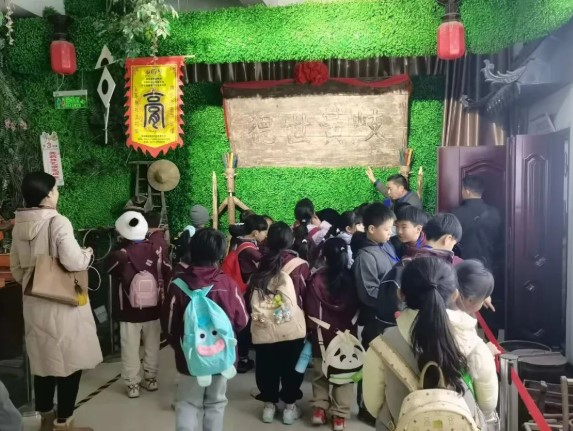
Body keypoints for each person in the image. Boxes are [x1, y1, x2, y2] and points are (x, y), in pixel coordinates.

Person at [10, 172, 102, 431]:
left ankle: (46, 420)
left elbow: (16, 270)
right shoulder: (58, 222)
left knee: (44, 362)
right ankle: (64, 422)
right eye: (55, 190)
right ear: (48, 194)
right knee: (69, 362)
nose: (57, 193)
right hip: (63, 303)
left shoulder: (19, 226)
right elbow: (73, 261)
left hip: (33, 302)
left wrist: (35, 278)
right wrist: (87, 253)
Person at [363, 257, 491, 430]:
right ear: (455, 295)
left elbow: (373, 406)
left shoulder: (381, 346)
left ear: (400, 294)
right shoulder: (474, 345)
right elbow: (488, 404)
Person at [162, 228, 248, 431]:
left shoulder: (177, 285)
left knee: (187, 402)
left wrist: (183, 346)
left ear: (192, 250)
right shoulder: (228, 284)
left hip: (190, 357)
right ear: (220, 253)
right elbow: (242, 320)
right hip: (222, 357)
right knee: (216, 403)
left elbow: (169, 327)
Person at [249, 222, 309, 425]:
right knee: (292, 367)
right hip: (290, 327)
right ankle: (289, 408)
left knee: (267, 367)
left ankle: (269, 406)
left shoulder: (261, 262)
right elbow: (304, 296)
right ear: (291, 240)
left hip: (264, 326)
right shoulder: (299, 265)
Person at [108, 211, 172, 399]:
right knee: (152, 345)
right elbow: (167, 270)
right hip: (154, 308)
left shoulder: (120, 255)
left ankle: (132, 384)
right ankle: (151, 378)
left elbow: (109, 270)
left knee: (130, 347)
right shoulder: (156, 250)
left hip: (128, 310)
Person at [304, 238, 360, 431]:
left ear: (324, 257)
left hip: (321, 336)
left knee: (320, 373)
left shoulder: (316, 279)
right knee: (344, 373)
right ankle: (339, 417)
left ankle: (319, 410)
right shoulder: (353, 279)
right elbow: (358, 308)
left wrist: (313, 328)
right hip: (347, 337)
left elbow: (310, 309)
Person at [351, 202, 397, 425]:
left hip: (389, 317)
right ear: (371, 229)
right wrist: (396, 297)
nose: (390, 233)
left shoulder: (385, 247)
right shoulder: (365, 257)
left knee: (386, 366)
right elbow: (368, 293)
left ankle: (382, 407)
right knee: (371, 365)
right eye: (386, 229)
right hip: (373, 319)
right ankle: (366, 409)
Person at [234, 214, 269, 374]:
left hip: (242, 290)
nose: (265, 235)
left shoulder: (240, 243)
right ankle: (243, 358)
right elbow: (263, 262)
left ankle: (243, 355)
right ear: (255, 233)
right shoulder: (249, 249)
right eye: (264, 232)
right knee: (245, 323)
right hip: (245, 291)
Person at [451, 175, 502, 272]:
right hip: (488, 261)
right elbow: (499, 239)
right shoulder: (494, 212)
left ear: (467, 191)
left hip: (463, 263)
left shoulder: (457, 213)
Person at [292, 198, 332, 263]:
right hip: (315, 268)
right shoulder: (321, 232)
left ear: (295, 216)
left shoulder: (290, 231)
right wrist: (322, 224)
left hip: (296, 267)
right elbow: (333, 238)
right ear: (313, 214)